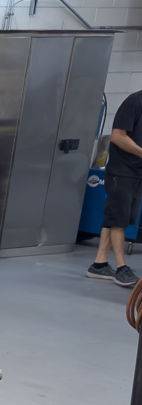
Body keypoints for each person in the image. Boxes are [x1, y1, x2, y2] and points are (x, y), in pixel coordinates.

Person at [89, 89, 142, 287]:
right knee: (118, 220)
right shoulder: (134, 101)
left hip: (137, 172)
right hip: (121, 171)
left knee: (116, 217)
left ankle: (99, 264)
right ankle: (121, 268)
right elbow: (118, 137)